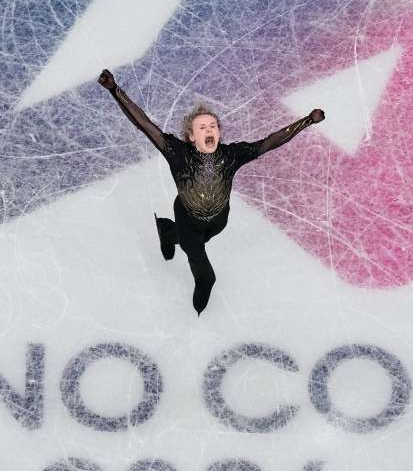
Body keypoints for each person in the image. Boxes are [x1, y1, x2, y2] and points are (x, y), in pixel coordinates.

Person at [98, 68, 325, 314]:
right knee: (205, 274)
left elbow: (269, 142)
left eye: (213, 127)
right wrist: (114, 90)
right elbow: (143, 123)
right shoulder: (177, 152)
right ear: (191, 136)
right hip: (187, 220)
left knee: (196, 240)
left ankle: (166, 231)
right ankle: (197, 300)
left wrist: (307, 121)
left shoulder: (232, 154)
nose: (209, 131)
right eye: (202, 128)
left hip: (218, 221)